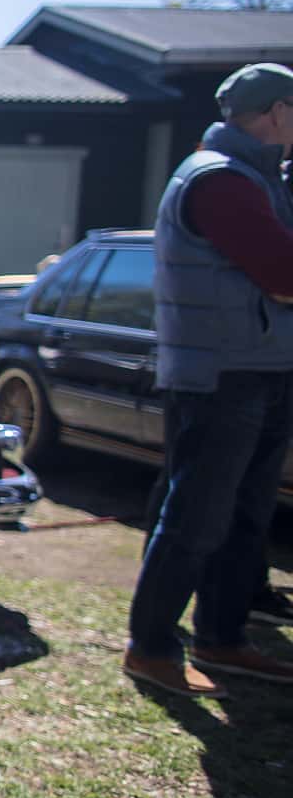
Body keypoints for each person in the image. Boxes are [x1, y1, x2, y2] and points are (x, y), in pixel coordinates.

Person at [124, 63, 293, 698]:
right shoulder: (220, 180)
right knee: (196, 515)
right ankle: (152, 646)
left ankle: (223, 637)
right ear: (276, 112)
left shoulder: (258, 178)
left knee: (245, 514)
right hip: (220, 374)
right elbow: (282, 273)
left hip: (260, 367)